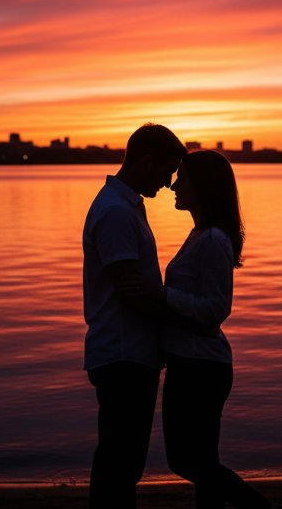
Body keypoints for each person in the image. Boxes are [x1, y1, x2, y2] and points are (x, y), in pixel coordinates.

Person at [120, 150, 271, 509]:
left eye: (182, 178)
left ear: (202, 187)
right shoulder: (200, 235)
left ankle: (262, 507)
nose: (174, 185)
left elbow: (218, 308)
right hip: (189, 363)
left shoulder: (214, 240)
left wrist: (161, 294)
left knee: (188, 460)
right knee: (200, 460)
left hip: (202, 367)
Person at [81, 123, 186, 509]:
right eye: (166, 171)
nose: (168, 182)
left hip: (130, 351)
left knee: (122, 459)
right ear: (145, 162)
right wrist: (183, 318)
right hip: (123, 353)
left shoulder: (124, 207)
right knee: (119, 460)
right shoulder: (116, 213)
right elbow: (128, 291)